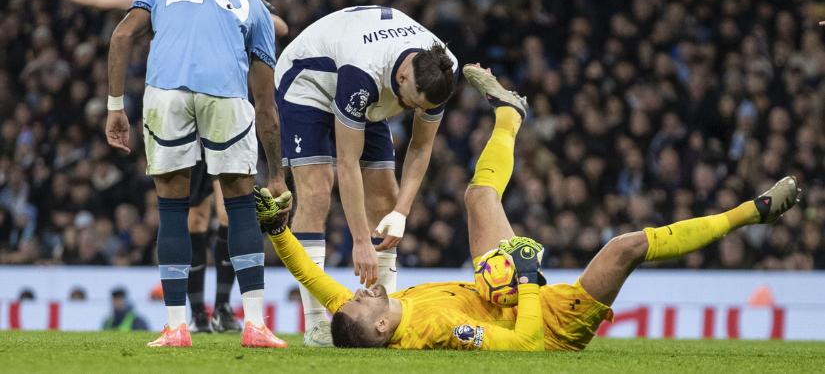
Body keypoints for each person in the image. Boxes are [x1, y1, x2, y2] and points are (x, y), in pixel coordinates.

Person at [257, 65, 802, 350]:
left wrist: (278, 230)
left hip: (494, 286)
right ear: (380, 330)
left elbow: (311, 275)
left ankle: (510, 113)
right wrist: (529, 280)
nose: (357, 292)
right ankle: (752, 211)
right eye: (361, 303)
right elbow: (527, 345)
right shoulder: (442, 331)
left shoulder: (365, 312)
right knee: (627, 246)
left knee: (477, 195)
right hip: (549, 320)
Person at [14, 0, 287, 333]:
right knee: (208, 211)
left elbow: (123, 25)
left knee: (207, 208)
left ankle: (218, 309)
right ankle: (204, 313)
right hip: (220, 101)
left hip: (170, 96)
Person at [105, 0, 287, 348]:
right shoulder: (253, 1)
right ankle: (254, 324)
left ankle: (176, 327)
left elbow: (121, 37)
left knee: (173, 208)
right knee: (239, 205)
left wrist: (115, 107)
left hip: (165, 92)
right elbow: (267, 106)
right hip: (225, 93)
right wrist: (276, 174)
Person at [274, 5, 456, 345]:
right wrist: (359, 240)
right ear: (402, 77)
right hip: (309, 80)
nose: (415, 112)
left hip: (372, 88)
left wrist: (401, 211)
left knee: (386, 197)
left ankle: (384, 322)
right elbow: (347, 161)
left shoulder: (442, 71)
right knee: (316, 190)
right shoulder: (364, 72)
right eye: (413, 103)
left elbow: (420, 147)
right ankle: (315, 325)